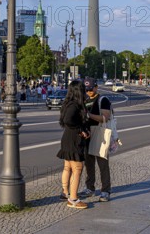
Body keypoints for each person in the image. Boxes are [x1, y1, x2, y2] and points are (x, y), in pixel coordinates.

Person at [56, 79, 90, 209]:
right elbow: (68, 120)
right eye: (83, 90)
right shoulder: (75, 105)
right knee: (77, 169)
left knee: (68, 167)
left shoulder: (68, 103)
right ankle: (73, 198)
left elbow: (66, 120)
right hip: (74, 139)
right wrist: (81, 131)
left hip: (68, 137)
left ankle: (65, 192)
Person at [80, 77, 112, 202]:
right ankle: (89, 187)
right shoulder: (83, 99)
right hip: (87, 133)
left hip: (99, 132)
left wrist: (89, 115)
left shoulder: (102, 100)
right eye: (86, 89)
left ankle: (105, 190)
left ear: (96, 87)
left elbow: (105, 117)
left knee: (102, 163)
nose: (89, 92)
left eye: (91, 89)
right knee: (88, 163)